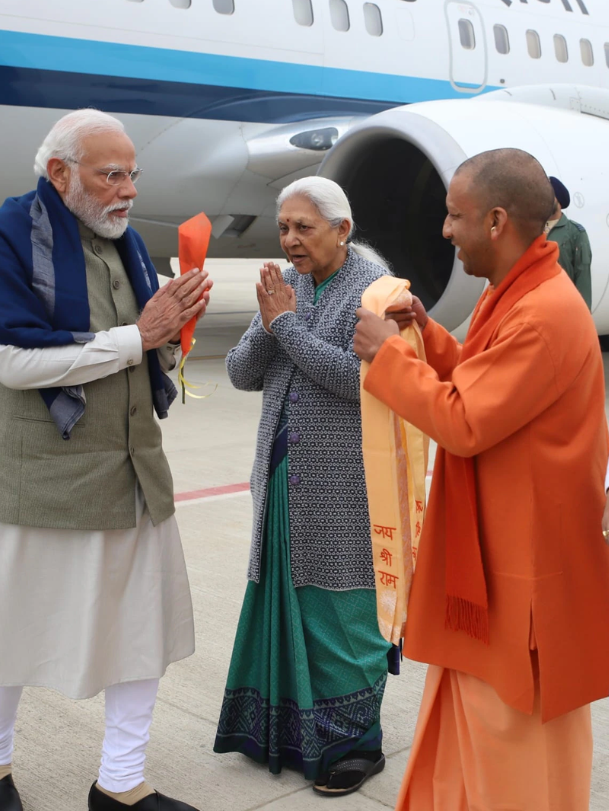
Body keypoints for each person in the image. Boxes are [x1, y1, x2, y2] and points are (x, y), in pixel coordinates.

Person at [0, 110, 211, 811]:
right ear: (59, 174)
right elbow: (14, 363)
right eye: (112, 174)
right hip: (33, 478)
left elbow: (147, 346)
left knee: (143, 629)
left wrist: (172, 332)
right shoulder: (2, 239)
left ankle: (121, 782)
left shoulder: (128, 244)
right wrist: (143, 336)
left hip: (131, 471)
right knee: (8, 631)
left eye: (133, 173)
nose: (128, 189)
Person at [354, 148, 609, 811]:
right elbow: (482, 376)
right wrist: (428, 339)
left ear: (497, 221)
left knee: (514, 761)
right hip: (501, 563)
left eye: (454, 215)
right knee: (485, 751)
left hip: (522, 584)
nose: (444, 229)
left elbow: (466, 422)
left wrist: (386, 356)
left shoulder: (541, 312)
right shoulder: (520, 290)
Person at [213, 177, 393, 797]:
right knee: (288, 601)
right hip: (284, 476)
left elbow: (364, 381)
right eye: (283, 227)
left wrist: (285, 327)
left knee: (342, 614)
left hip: (345, 485)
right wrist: (271, 323)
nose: (289, 239)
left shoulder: (376, 291)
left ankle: (357, 745)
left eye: (303, 228)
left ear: (342, 230)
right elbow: (240, 374)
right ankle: (294, 732)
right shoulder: (286, 288)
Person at [546, 175, 592, 308]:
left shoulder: (575, 233)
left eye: (548, 195)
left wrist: (583, 317)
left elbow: (582, 278)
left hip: (564, 308)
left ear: (559, 201)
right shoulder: (533, 231)